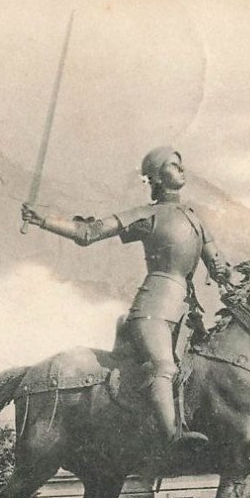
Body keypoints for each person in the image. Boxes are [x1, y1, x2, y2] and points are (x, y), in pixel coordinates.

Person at [21, 147, 232, 449]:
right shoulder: (146, 215)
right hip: (154, 310)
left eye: (182, 164)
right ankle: (174, 439)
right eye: (173, 165)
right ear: (157, 177)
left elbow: (218, 264)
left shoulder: (194, 218)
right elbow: (88, 233)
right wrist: (44, 220)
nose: (182, 169)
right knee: (164, 367)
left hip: (188, 313)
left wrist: (225, 272)